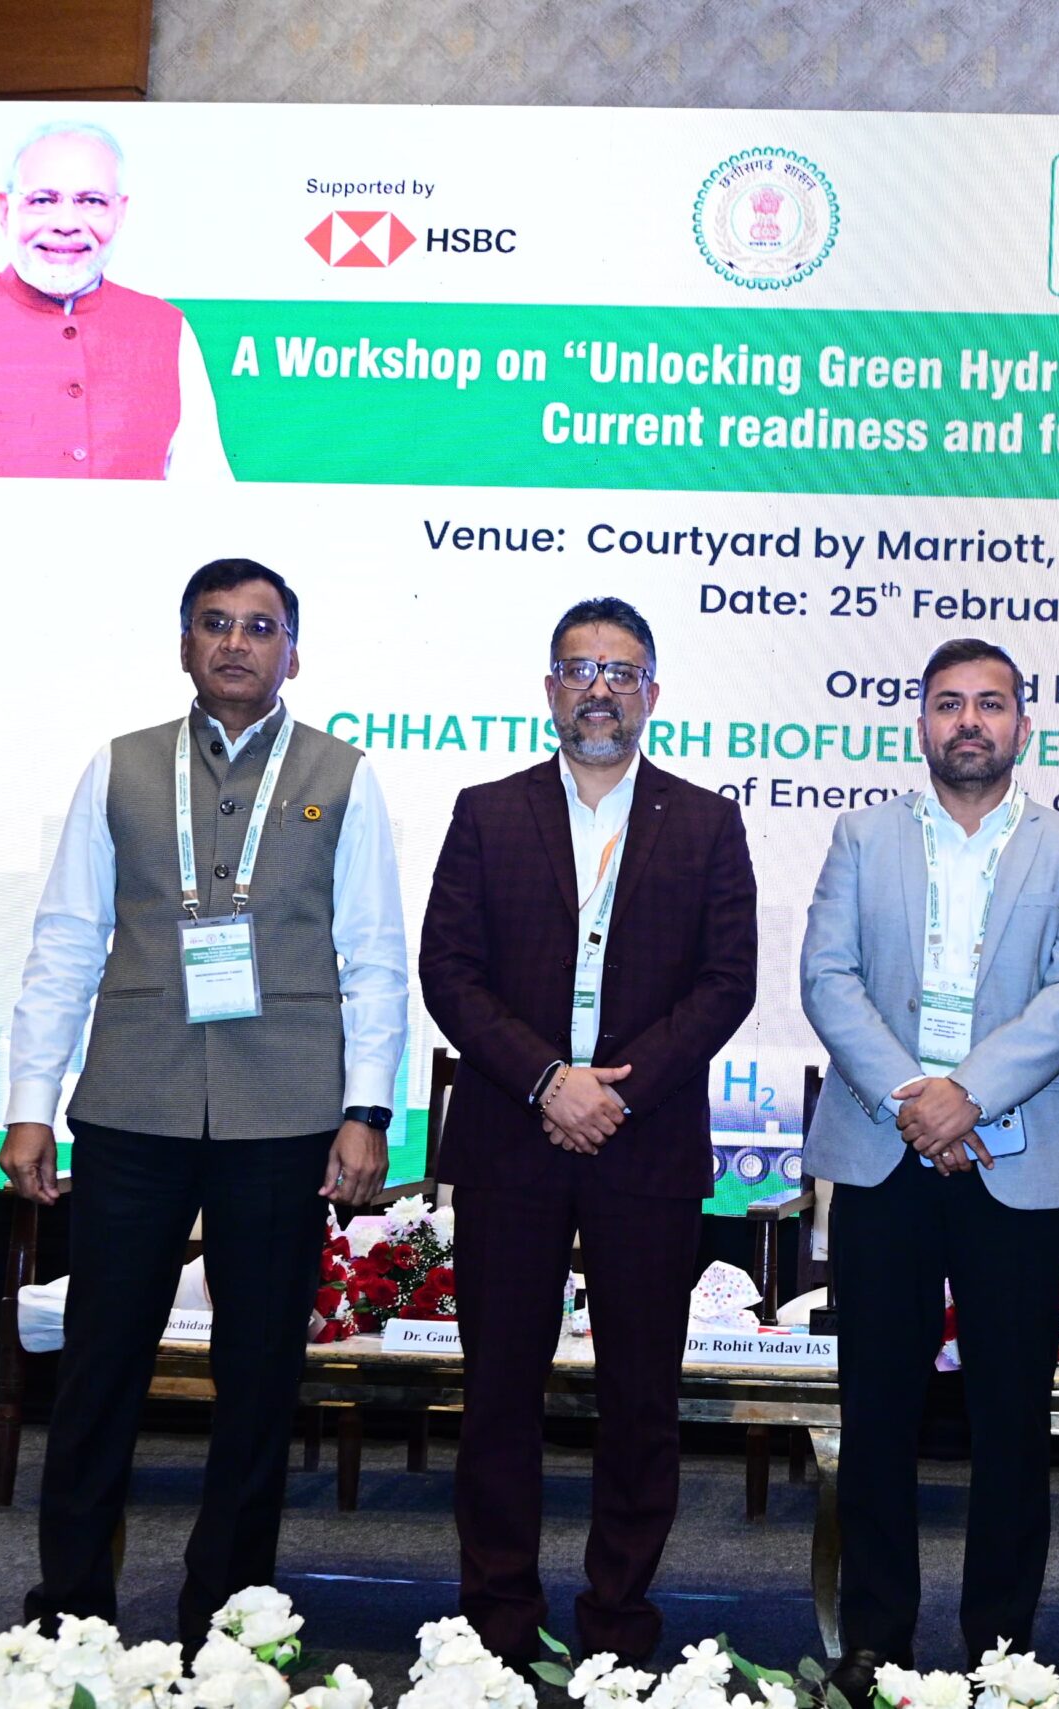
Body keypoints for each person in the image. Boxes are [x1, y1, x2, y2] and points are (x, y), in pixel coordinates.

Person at [0, 557, 407, 1645]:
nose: (236, 642)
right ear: (185, 644)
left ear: (292, 654)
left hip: (286, 1114)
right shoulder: (120, 765)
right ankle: (70, 1605)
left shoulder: (344, 775)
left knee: (259, 1375)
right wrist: (31, 1100)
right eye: (215, 623)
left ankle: (228, 1612)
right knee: (101, 1367)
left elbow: (374, 953)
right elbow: (66, 939)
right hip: (132, 1103)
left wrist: (368, 1108)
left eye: (260, 627)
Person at [419, 596, 757, 1668]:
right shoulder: (487, 811)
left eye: (620, 671)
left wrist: (618, 1090)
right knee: (498, 1393)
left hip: (643, 1143)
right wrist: (546, 1081)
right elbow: (448, 971)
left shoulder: (705, 821)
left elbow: (727, 982)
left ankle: (618, 1618)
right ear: (549, 689)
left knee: (641, 1397)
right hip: (511, 1139)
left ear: (652, 693)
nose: (599, 688)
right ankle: (497, 1616)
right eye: (579, 668)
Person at [798, 638, 1059, 1695]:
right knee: (877, 1409)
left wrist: (966, 1092)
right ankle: (875, 1638)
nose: (968, 721)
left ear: (1023, 724)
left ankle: (1000, 1649)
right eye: (948, 704)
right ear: (922, 722)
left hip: (1012, 1158)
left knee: (1011, 1418)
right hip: (882, 1150)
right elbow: (827, 976)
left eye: (989, 703)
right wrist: (914, 1096)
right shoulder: (862, 834)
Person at [0, 120, 233, 480]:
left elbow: (207, 500)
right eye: (43, 200)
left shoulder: (169, 332)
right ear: (5, 211)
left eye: (91, 201)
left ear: (120, 213)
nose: (66, 223)